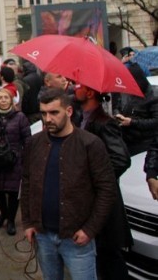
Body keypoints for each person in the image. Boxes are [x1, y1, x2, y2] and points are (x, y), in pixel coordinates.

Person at [21, 89, 117, 280]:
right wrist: (28, 222)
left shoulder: (90, 144)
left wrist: (90, 229)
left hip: (77, 239)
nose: (48, 119)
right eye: (44, 113)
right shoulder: (34, 143)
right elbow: (27, 183)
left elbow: (107, 189)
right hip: (43, 235)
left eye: (54, 113)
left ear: (69, 111)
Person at [74, 84, 132, 279]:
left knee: (110, 257)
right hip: (90, 200)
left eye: (79, 86)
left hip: (104, 201)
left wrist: (96, 179)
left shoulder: (104, 122)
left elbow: (121, 159)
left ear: (89, 93)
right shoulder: (82, 118)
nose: (75, 88)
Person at [0, 88, 30, 236]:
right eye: (0, 98)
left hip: (13, 159)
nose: (3, 100)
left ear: (11, 100)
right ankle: (3, 213)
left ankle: (11, 220)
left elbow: (27, 137)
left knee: (13, 192)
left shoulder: (20, 117)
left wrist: (26, 156)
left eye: (6, 98)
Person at [114, 63, 158, 155]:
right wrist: (118, 115)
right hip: (126, 139)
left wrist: (132, 122)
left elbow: (155, 121)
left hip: (145, 143)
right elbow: (118, 106)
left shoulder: (153, 95)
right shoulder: (126, 91)